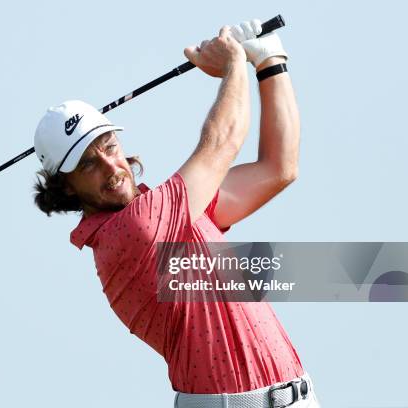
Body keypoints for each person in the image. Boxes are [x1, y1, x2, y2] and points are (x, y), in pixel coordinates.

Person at [33, 19, 320, 408]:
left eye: (108, 146)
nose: (110, 166)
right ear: (65, 187)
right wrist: (234, 61)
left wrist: (270, 61)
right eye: (87, 164)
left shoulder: (175, 211)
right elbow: (222, 141)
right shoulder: (132, 230)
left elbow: (278, 167)